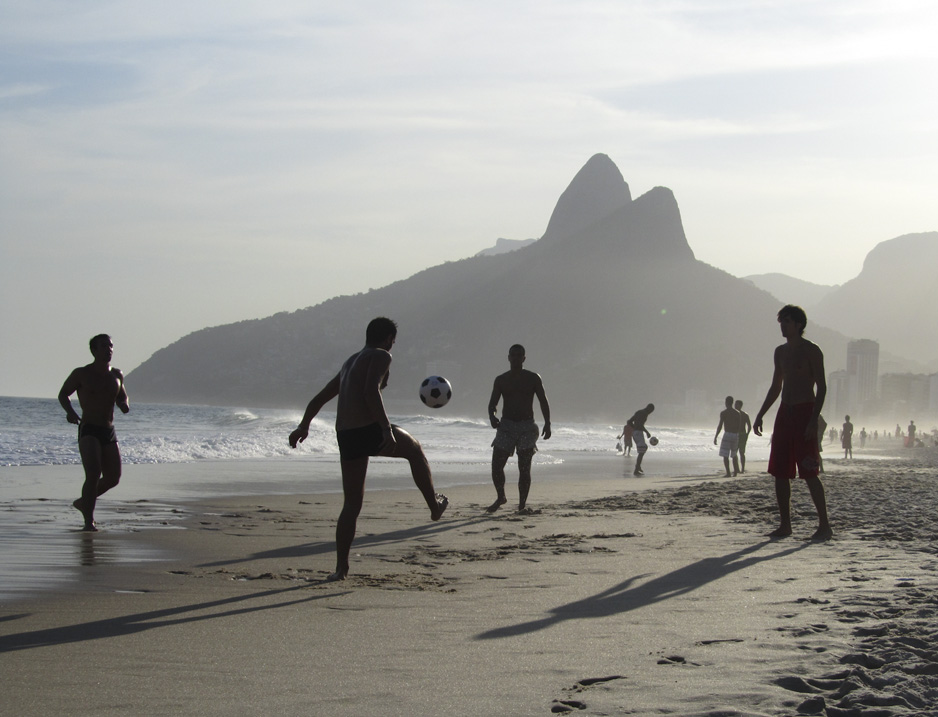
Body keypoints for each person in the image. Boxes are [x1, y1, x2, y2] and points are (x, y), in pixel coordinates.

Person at [289, 317, 448, 581]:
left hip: (346, 434)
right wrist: (385, 429)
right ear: (388, 339)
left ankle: (341, 568)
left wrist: (303, 426)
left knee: (351, 504)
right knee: (416, 450)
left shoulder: (350, 362)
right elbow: (370, 391)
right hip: (369, 429)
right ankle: (434, 506)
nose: (392, 347)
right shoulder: (381, 355)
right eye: (393, 342)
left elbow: (321, 397)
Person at [753, 305, 832, 541]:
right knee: (780, 471)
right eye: (781, 322)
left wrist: (812, 421)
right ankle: (785, 525)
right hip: (784, 414)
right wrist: (760, 414)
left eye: (786, 321)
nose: (783, 326)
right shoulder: (780, 352)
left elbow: (822, 387)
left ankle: (824, 526)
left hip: (804, 411)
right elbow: (776, 387)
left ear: (799, 324)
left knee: (809, 471)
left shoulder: (812, 351)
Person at [58, 334, 130, 532]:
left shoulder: (117, 374)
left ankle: (84, 501)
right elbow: (63, 394)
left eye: (111, 346)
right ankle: (88, 521)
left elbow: (123, 395)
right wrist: (71, 413)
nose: (109, 349)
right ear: (94, 350)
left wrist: (124, 404)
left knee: (113, 478)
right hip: (88, 429)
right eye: (104, 346)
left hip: (108, 430)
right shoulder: (81, 373)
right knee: (92, 473)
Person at [487, 344, 551, 513]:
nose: (515, 358)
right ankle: (501, 496)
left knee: (524, 467)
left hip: (527, 426)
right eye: (513, 355)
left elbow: (543, 401)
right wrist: (492, 416)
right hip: (506, 425)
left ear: (524, 358)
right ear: (508, 357)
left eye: (519, 355)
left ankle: (522, 504)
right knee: (496, 466)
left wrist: (548, 423)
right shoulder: (501, 380)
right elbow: (493, 404)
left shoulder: (533, 378)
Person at [714, 396, 743, 477]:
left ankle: (728, 473)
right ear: (732, 402)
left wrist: (716, 436)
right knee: (734, 454)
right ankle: (735, 473)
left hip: (727, 434)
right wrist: (738, 435)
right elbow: (739, 426)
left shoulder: (723, 413)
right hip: (735, 434)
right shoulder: (737, 413)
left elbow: (720, 426)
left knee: (725, 455)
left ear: (726, 402)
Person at [626, 403, 655, 476]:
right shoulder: (644, 414)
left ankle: (638, 467)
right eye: (651, 411)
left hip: (636, 433)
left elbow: (629, 421)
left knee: (643, 448)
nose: (650, 413)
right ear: (650, 409)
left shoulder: (638, 412)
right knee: (642, 450)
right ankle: (636, 469)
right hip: (638, 433)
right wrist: (647, 432)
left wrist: (634, 429)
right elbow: (640, 424)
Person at [734, 400, 752, 473]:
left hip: (742, 434)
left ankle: (742, 469)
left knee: (741, 453)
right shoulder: (733, 414)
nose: (735, 406)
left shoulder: (745, 414)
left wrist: (747, 434)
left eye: (737, 405)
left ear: (740, 405)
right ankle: (737, 469)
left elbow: (749, 425)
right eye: (735, 404)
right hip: (735, 434)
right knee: (734, 452)